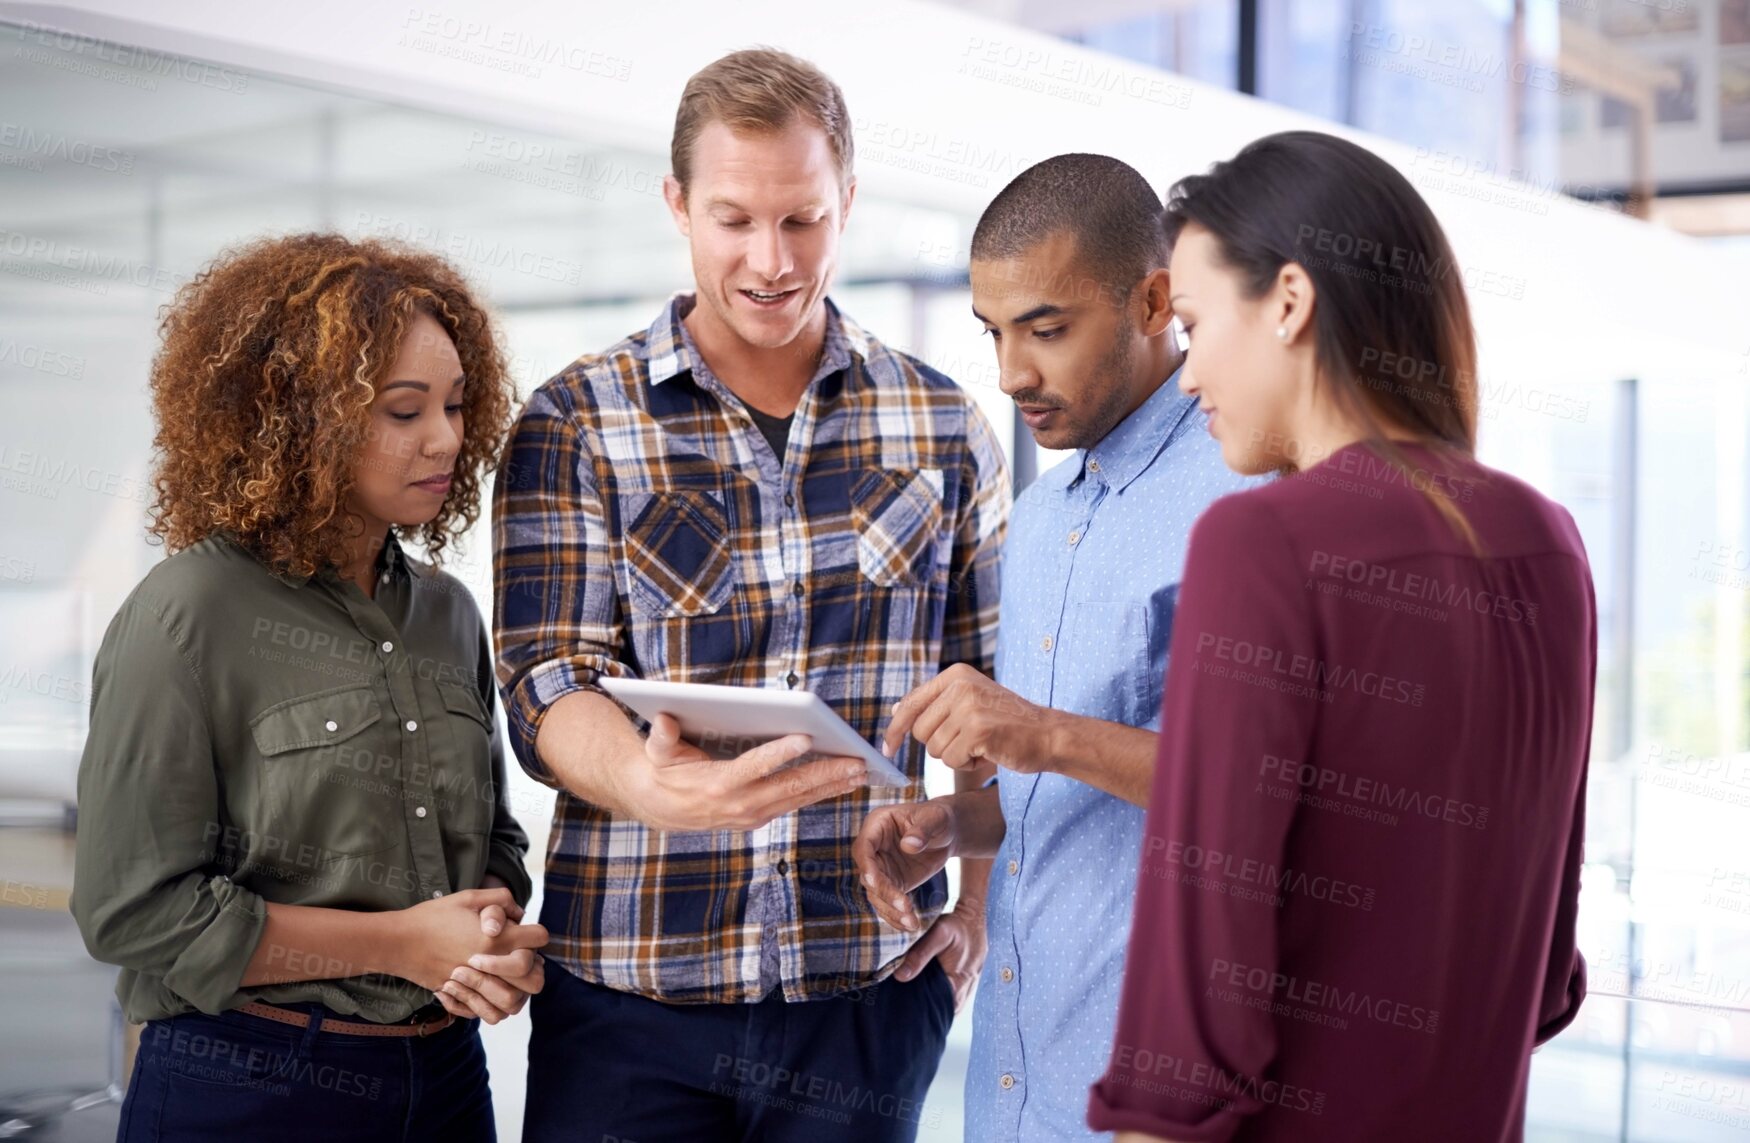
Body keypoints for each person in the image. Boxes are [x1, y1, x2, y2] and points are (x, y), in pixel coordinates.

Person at [492, 49, 1010, 1142]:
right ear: (678, 205)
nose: (770, 261)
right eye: (733, 220)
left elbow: (993, 695)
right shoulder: (575, 421)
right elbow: (544, 680)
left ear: (848, 204)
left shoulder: (943, 426)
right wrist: (646, 781)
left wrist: (976, 913)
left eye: (802, 220)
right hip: (630, 1009)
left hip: (865, 1003)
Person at [1085, 131, 1594, 1143]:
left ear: (1287, 299)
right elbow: (1542, 979)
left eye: (1191, 325)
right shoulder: (1548, 542)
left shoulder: (1260, 543)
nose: (1184, 379)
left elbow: (1187, 1019)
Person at [71, 233, 548, 1143]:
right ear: (298, 422)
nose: (445, 437)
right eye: (404, 411)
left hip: (445, 1078)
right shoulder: (186, 615)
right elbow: (131, 908)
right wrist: (403, 943)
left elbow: (496, 834)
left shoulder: (449, 614)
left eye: (454, 404)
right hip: (250, 1085)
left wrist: (483, 929)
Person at [852, 154, 1254, 1142]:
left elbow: (1259, 793)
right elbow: (1065, 801)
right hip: (1012, 1088)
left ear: (1155, 300)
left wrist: (1035, 733)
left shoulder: (1242, 500)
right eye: (993, 331)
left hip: (1156, 1100)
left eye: (1046, 329)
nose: (1010, 373)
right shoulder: (1037, 520)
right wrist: (953, 830)